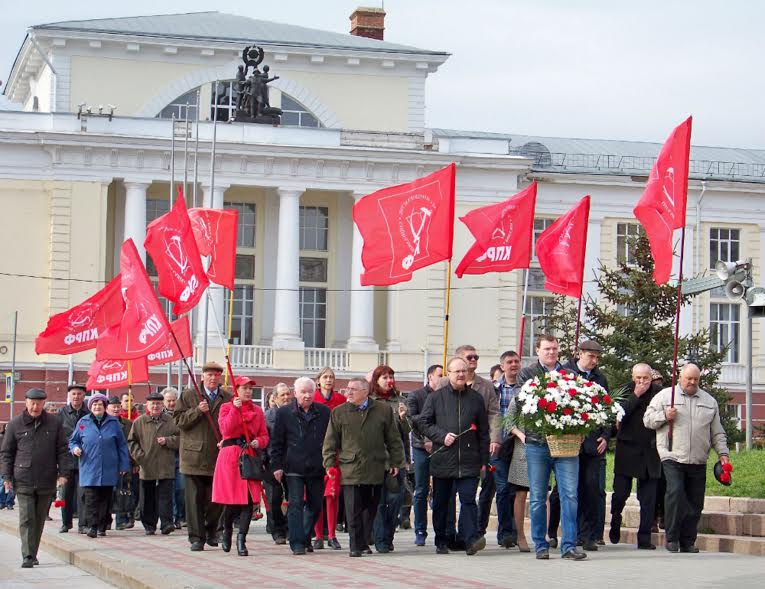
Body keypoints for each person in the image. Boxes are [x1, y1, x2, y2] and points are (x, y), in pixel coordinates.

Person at [644, 363, 730, 553]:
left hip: (698, 459)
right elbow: (647, 420)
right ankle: (672, 538)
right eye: (688, 378)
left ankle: (688, 541)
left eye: (696, 379)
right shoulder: (666, 396)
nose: (692, 382)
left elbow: (717, 432)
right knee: (674, 493)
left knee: (695, 501)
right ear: (680, 377)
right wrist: (665, 415)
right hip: (672, 455)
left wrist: (723, 454)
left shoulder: (709, 401)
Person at [518, 334, 586, 561]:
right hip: (537, 444)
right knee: (538, 496)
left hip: (566, 444)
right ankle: (540, 544)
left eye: (555, 349)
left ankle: (569, 545)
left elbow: (582, 404)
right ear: (537, 350)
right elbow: (522, 402)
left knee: (570, 495)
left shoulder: (570, 374)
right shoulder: (527, 373)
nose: (551, 352)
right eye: (547, 349)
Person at [323, 377, 405, 558]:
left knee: (370, 508)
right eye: (347, 388)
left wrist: (395, 462)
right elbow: (330, 441)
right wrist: (329, 464)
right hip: (350, 467)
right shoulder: (339, 412)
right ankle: (354, 545)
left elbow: (393, 439)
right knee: (352, 509)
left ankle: (363, 541)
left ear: (365, 392)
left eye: (353, 389)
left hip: (375, 465)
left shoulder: (382, 410)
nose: (348, 392)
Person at [419, 357, 490, 556]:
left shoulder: (476, 398)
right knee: (441, 502)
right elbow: (423, 423)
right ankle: (442, 539)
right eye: (456, 371)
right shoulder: (435, 398)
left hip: (469, 460)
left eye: (463, 371)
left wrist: (484, 460)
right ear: (448, 374)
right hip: (444, 459)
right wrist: (441, 436)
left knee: (468, 500)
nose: (460, 374)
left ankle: (469, 540)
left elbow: (483, 432)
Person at [438, 345, 501, 547]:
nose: (472, 361)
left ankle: (468, 538)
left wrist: (495, 438)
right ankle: (446, 537)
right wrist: (436, 438)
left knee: (468, 498)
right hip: (447, 453)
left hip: (471, 452)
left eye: (475, 357)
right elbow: (431, 415)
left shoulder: (484, 388)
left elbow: (493, 415)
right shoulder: (441, 386)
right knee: (445, 499)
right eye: (468, 358)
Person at [1, 389, 69, 568]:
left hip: (47, 477)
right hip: (23, 477)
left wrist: (63, 473)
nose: (35, 406)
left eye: (39, 403)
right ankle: (28, 555)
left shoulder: (54, 423)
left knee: (39, 519)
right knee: (26, 517)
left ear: (43, 404)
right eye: (32, 402)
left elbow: (62, 450)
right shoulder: (15, 424)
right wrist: (6, 477)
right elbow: (7, 453)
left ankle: (33, 552)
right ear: (26, 402)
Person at [174, 361, 232, 551]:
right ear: (202, 376)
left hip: (218, 455)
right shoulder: (189, 395)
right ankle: (196, 537)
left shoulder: (227, 397)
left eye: (216, 375)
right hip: (194, 456)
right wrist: (197, 411)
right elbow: (179, 421)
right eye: (209, 375)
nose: (213, 378)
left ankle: (211, 531)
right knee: (194, 500)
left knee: (216, 499)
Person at [271, 377, 331, 555]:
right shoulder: (284, 413)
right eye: (303, 392)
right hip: (293, 466)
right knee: (295, 504)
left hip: (316, 466)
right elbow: (276, 442)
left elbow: (330, 440)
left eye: (310, 392)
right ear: (295, 393)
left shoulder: (324, 412)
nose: (307, 395)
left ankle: (304, 536)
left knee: (316, 505)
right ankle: (297, 543)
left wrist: (329, 463)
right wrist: (276, 465)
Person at [212, 375, 269, 556]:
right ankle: (227, 529)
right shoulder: (226, 408)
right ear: (235, 390)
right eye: (244, 388)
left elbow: (264, 435)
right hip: (231, 458)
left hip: (249, 457)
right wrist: (235, 410)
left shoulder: (258, 411)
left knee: (248, 502)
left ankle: (241, 539)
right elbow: (226, 430)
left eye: (250, 388)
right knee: (232, 502)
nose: (248, 391)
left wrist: (258, 442)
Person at [563, 340, 611, 551]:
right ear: (579, 354)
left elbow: (608, 409)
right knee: (566, 491)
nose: (594, 361)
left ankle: (588, 535)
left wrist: (606, 436)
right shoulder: (566, 373)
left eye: (597, 357)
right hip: (569, 442)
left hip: (592, 443)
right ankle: (563, 534)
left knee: (591, 488)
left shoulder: (600, 379)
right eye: (591, 356)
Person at [609, 363, 662, 549]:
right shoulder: (625, 390)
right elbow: (618, 415)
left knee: (648, 498)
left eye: (645, 378)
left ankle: (645, 537)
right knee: (621, 493)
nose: (642, 382)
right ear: (633, 377)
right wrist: (636, 395)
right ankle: (616, 518)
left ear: (651, 377)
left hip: (650, 450)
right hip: (627, 449)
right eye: (638, 378)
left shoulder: (658, 392)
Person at [69, 393, 130, 539]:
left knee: (105, 498)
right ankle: (92, 526)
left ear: (104, 407)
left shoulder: (113, 423)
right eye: (94, 404)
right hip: (89, 467)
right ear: (90, 407)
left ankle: (102, 526)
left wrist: (123, 466)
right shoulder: (83, 422)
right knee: (91, 498)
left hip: (109, 467)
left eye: (100, 404)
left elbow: (122, 445)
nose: (97, 407)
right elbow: (73, 440)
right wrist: (75, 449)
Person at [369, 365, 410, 554]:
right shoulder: (370, 401)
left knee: (395, 500)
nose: (388, 380)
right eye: (384, 377)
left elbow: (408, 432)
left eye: (391, 377)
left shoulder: (400, 401)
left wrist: (403, 418)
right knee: (378, 502)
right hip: (375, 459)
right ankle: (380, 540)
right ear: (376, 380)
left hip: (396, 459)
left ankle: (388, 535)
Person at [128, 391, 180, 536]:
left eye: (158, 403)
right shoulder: (139, 422)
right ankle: (149, 524)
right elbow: (132, 442)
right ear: (147, 405)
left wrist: (168, 441)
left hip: (166, 464)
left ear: (162, 404)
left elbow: (181, 438)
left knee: (166, 496)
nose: (155, 406)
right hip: (147, 465)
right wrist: (140, 458)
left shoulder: (170, 420)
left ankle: (166, 523)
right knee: (147, 496)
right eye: (153, 403)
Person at [406, 363, 443, 546]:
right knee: (421, 489)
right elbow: (412, 419)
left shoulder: (445, 396)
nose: (442, 378)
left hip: (442, 448)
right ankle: (420, 529)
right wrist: (427, 437)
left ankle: (441, 530)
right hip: (421, 447)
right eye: (439, 375)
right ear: (430, 377)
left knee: (442, 490)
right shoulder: (416, 395)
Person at [311, 367, 346, 550]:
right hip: (315, 452)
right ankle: (318, 536)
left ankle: (332, 535)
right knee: (316, 495)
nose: (329, 380)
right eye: (325, 377)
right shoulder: (312, 398)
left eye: (331, 377)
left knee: (332, 495)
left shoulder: (340, 400)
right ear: (318, 380)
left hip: (334, 453)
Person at [494, 350, 522, 549]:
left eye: (516, 361)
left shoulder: (525, 388)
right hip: (498, 446)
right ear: (502, 366)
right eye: (509, 362)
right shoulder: (494, 389)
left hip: (518, 445)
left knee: (515, 490)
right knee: (502, 489)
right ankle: (505, 532)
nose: (514, 365)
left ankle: (514, 531)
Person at [56, 383, 89, 533]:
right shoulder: (60, 413)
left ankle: (83, 524)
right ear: (69, 395)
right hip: (66, 461)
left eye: (80, 394)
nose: (76, 397)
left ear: (84, 396)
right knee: (65, 494)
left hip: (85, 460)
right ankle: (65, 523)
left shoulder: (89, 413)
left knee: (83, 494)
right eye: (74, 394)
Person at [264, 383, 291, 544]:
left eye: (288, 394)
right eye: (283, 395)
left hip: (292, 462)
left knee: (294, 498)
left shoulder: (295, 414)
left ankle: (288, 527)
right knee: (274, 499)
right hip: (271, 462)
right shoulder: (268, 416)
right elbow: (266, 440)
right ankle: (277, 531)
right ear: (274, 398)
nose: (286, 397)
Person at [106, 395, 137, 530]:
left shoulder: (128, 423)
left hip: (124, 462)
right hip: (107, 463)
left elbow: (132, 444)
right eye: (113, 406)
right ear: (107, 408)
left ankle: (121, 520)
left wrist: (135, 463)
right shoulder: (104, 423)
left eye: (118, 406)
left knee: (123, 491)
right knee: (108, 493)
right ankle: (106, 520)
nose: (116, 409)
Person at [161, 387, 185, 529]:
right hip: (165, 459)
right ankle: (169, 519)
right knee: (167, 492)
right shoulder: (160, 416)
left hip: (180, 458)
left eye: (173, 400)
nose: (171, 403)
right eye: (168, 400)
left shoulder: (181, 415)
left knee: (180, 489)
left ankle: (180, 516)